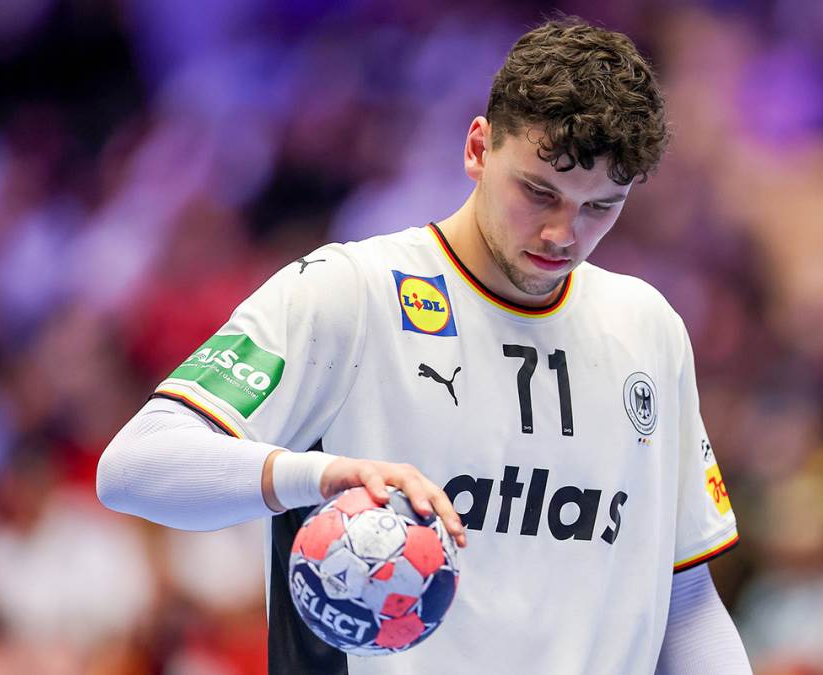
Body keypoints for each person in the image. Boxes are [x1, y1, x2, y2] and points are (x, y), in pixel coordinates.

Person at [97, 17, 751, 674]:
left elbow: (686, 598)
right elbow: (131, 469)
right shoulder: (349, 292)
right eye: (538, 192)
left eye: (599, 207)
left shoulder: (648, 329)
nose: (563, 233)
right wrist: (317, 475)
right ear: (478, 148)